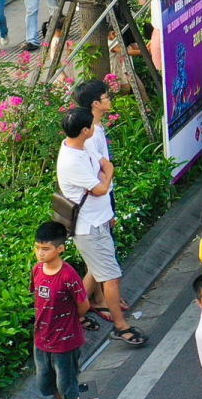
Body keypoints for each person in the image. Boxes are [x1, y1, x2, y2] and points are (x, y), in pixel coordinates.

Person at [55, 109, 143, 347]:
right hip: (89, 228)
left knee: (96, 270)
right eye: (91, 125)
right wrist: (105, 178)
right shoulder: (71, 161)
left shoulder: (83, 146)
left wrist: (105, 179)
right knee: (111, 277)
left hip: (100, 220)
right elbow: (102, 187)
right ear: (85, 130)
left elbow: (107, 166)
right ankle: (120, 326)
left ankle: (77, 313)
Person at [33, 221, 90, 399]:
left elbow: (83, 305)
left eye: (45, 249)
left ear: (60, 249)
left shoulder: (68, 276)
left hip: (65, 343)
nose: (40, 253)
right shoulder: (37, 270)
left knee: (67, 386)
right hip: (41, 339)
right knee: (45, 385)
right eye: (37, 248)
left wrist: (68, 322)